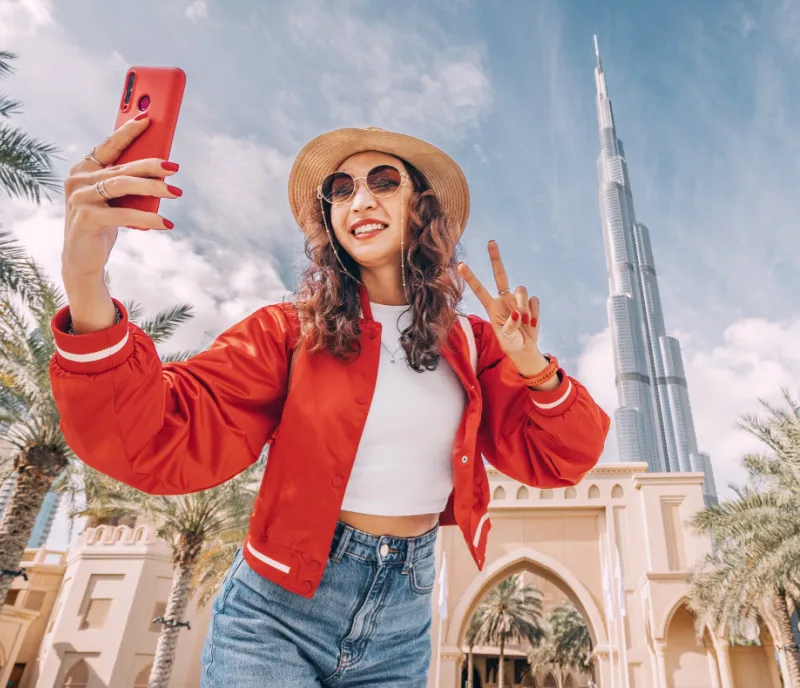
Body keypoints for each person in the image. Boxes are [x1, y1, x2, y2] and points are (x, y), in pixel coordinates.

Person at [51, 117, 610, 687]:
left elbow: (561, 458)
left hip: (403, 625)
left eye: (384, 181)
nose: (359, 200)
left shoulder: (473, 343)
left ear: (423, 206)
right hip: (273, 618)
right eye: (341, 191)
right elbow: (156, 434)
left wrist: (534, 369)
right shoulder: (289, 332)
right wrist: (86, 280)